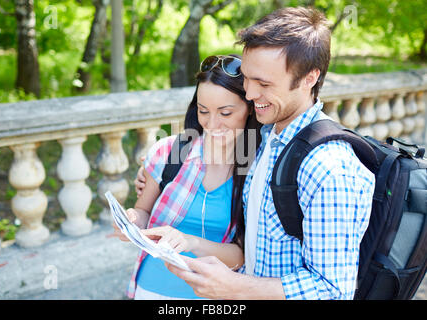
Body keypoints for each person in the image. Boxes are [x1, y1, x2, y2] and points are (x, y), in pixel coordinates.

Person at [136, 7, 375, 300]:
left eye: (263, 84)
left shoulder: (329, 168)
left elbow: (332, 290)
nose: (248, 94)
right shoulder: (264, 139)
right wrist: (154, 173)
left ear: (309, 78)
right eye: (248, 78)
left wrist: (234, 287)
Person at [112, 54, 261, 299]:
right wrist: (131, 220)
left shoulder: (258, 169)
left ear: (250, 109)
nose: (212, 124)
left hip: (215, 294)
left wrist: (190, 242)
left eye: (225, 113)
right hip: (152, 288)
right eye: (204, 111)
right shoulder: (169, 151)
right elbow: (143, 213)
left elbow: (242, 255)